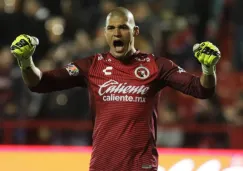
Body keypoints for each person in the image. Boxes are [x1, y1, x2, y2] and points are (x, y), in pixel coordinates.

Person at [10, 7, 220, 171]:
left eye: (123, 27)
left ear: (135, 31)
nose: (117, 33)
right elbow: (40, 83)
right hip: (103, 165)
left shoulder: (157, 65)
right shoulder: (92, 65)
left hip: (141, 166)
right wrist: (26, 62)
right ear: (105, 33)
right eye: (111, 28)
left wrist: (208, 69)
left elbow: (201, 90)